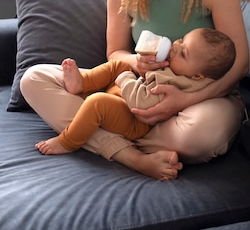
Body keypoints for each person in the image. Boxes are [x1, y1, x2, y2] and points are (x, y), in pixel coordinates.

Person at [21, 0, 250, 180]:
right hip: (139, 95)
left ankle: (97, 131)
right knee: (33, 79)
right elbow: (115, 53)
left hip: (200, 100)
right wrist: (135, 63)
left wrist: (184, 101)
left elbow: (240, 63)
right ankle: (132, 156)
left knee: (203, 133)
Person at [35, 28, 235, 158]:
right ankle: (81, 84)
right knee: (119, 64)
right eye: (180, 40)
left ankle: (68, 141)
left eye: (183, 53)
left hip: (135, 120)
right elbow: (120, 57)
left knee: (98, 102)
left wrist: (123, 78)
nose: (175, 46)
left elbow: (140, 103)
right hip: (130, 91)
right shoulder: (178, 69)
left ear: (198, 76)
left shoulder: (176, 83)